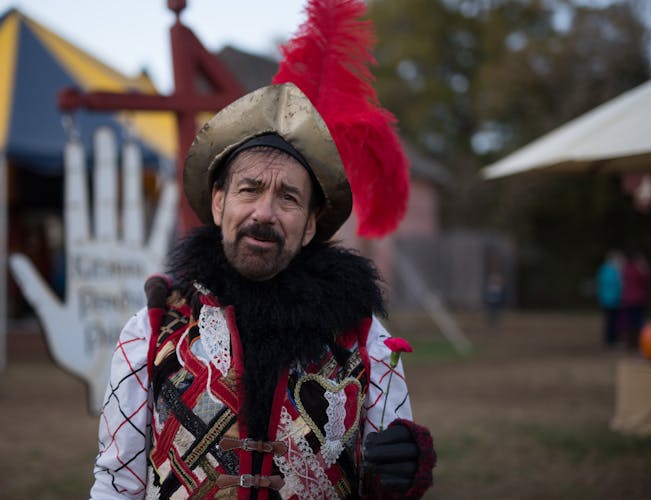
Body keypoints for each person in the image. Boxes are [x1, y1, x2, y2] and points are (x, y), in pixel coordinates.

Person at [89, 83, 436, 499]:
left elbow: (381, 490)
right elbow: (116, 485)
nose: (264, 213)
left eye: (288, 197)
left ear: (310, 225)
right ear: (219, 204)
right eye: (249, 189)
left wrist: (400, 473)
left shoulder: (367, 341)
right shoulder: (150, 332)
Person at [621, 251, 651, 350]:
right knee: (638, 322)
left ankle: (631, 343)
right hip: (638, 299)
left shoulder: (626, 269)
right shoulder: (640, 269)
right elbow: (646, 280)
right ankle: (639, 343)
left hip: (628, 299)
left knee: (631, 321)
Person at [597, 250, 624, 347]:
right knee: (611, 321)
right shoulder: (612, 271)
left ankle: (611, 339)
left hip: (609, 299)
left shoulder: (605, 270)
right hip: (611, 300)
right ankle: (611, 340)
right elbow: (615, 285)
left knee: (612, 320)